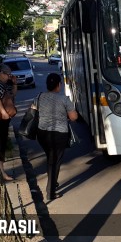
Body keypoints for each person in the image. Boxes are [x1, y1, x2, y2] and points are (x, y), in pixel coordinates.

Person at [36, 73, 78, 201]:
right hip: (59, 135)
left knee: (50, 159)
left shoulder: (39, 97)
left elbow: (33, 110)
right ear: (59, 85)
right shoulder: (64, 99)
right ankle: (51, 192)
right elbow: (74, 117)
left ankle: (52, 182)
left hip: (42, 133)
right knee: (55, 162)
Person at [0, 64, 17, 181]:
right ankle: (1, 172)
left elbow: (12, 96)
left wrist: (14, 83)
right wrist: (3, 112)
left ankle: (0, 170)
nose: (9, 77)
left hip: (1, 119)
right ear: (1, 73)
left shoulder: (2, 84)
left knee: (1, 144)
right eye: (8, 74)